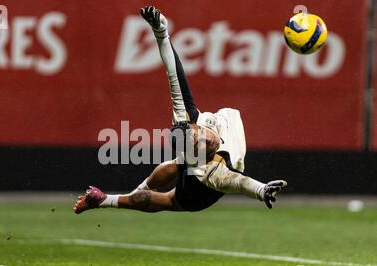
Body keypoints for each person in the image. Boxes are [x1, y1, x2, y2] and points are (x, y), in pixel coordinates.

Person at [73, 6, 287, 214]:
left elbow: (173, 73)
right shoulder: (212, 172)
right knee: (168, 197)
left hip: (192, 169)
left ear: (193, 127)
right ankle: (114, 200)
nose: (203, 140)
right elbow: (240, 183)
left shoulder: (189, 118)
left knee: (175, 165)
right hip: (196, 196)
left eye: (198, 137)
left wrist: (161, 32)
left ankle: (114, 198)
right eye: (201, 148)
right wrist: (262, 189)